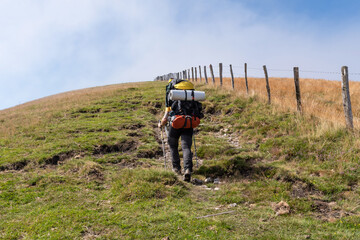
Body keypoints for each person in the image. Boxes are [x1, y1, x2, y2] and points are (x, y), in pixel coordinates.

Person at [158, 78, 195, 182]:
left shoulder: (171, 92)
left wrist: (162, 123)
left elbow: (166, 114)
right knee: (186, 146)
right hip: (189, 121)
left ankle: (176, 168)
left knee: (172, 143)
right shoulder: (189, 89)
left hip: (176, 122)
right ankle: (188, 169)